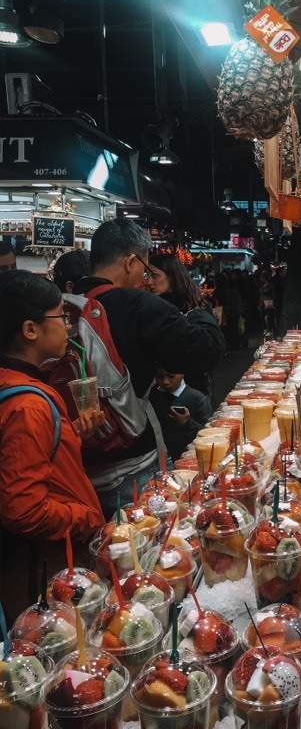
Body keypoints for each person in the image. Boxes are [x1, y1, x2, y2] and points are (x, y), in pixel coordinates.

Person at [71, 219, 225, 517]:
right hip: (133, 463)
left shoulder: (63, 304)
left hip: (80, 461)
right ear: (130, 261)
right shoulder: (135, 304)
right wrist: (198, 313)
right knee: (150, 543)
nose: (145, 275)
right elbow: (206, 351)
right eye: (143, 264)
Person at [0, 271, 104, 621]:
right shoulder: (27, 405)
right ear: (30, 330)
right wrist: (86, 517)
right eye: (61, 316)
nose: (68, 327)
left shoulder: (17, 389)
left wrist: (67, 434)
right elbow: (24, 511)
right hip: (42, 571)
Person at [147, 250, 225, 404]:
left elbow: (213, 348)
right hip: (159, 392)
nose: (149, 282)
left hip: (192, 393)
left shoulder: (192, 310)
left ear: (172, 276)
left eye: (155, 275)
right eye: (147, 276)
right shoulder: (151, 307)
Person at [150, 367, 213, 462]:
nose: (165, 382)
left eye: (171, 376)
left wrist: (187, 423)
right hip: (162, 456)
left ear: (182, 373)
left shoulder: (196, 398)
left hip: (192, 457)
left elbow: (209, 435)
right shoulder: (152, 398)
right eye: (159, 377)